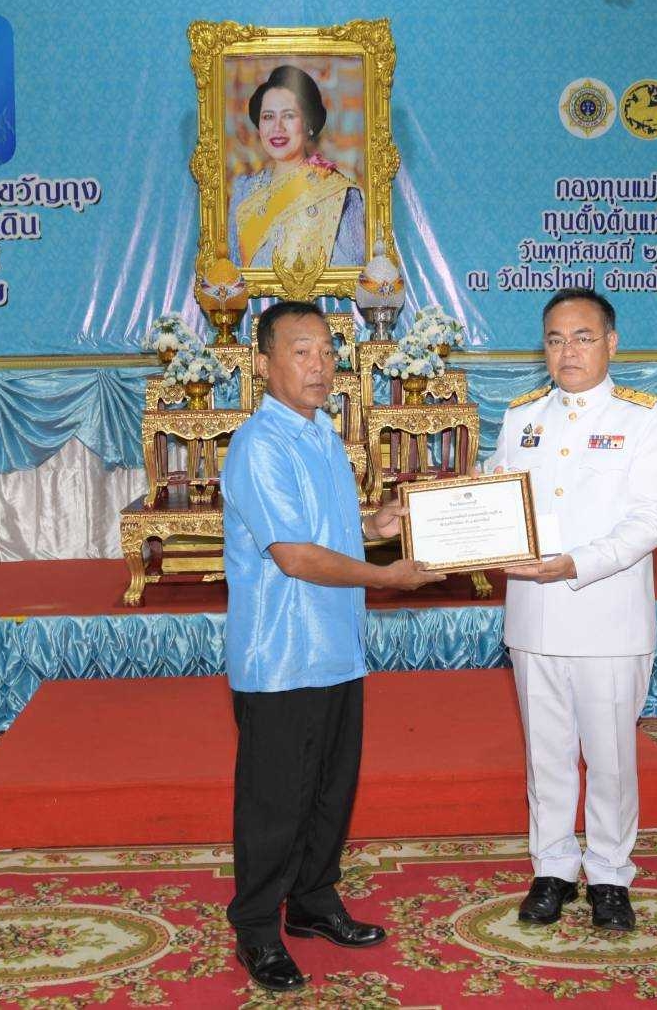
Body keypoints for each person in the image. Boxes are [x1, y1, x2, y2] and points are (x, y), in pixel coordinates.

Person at [222, 299, 443, 992]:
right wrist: (385, 574)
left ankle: (313, 900)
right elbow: (292, 554)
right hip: (281, 654)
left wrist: (375, 524)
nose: (319, 366)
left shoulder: (319, 435)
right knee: (274, 801)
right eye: (300, 351)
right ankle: (257, 925)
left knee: (328, 790)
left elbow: (325, 528)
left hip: (337, 646)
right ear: (262, 365)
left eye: (326, 351)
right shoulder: (258, 444)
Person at [484, 287, 657, 933]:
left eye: (582, 336)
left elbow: (650, 520)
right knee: (545, 754)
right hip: (534, 618)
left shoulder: (646, 418)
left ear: (611, 342)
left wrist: (574, 562)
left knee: (610, 757)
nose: (567, 351)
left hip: (607, 616)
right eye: (555, 339)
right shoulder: (520, 417)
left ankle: (610, 875)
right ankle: (551, 868)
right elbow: (493, 495)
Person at [227, 64, 366, 270]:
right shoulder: (242, 192)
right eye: (268, 117)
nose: (277, 127)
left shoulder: (340, 194)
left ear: (308, 124)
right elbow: (235, 277)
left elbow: (350, 277)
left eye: (289, 115)